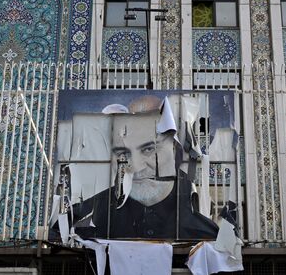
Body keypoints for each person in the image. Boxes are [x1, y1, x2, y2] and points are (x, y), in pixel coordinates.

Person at [72, 96, 219, 240]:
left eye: (149, 149)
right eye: (124, 153)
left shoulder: (204, 233)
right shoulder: (94, 213)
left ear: (175, 149)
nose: (135, 166)